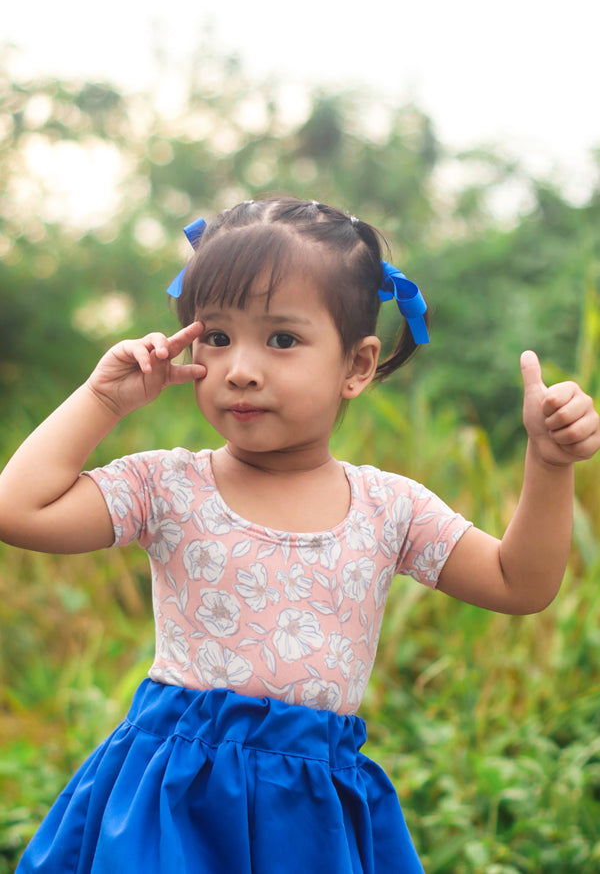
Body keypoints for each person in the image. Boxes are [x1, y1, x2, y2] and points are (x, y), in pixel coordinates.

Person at [1, 196, 598, 874]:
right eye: (217, 337)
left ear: (357, 366)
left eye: (281, 340)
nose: (240, 368)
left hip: (309, 813)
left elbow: (518, 584)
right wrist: (102, 400)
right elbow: (18, 509)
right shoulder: (165, 488)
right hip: (171, 799)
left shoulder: (389, 507)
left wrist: (549, 464)